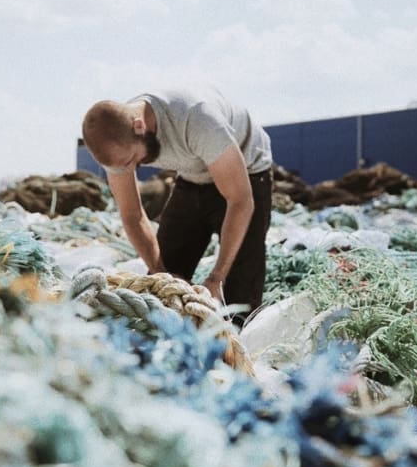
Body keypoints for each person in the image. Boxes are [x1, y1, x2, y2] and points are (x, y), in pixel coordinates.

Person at [81, 85, 273, 326]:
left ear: (139, 126)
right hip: (193, 176)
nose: (129, 171)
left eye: (131, 161)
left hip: (247, 175)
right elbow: (132, 215)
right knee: (161, 288)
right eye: (122, 167)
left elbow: (240, 201)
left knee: (238, 306)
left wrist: (216, 278)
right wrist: (160, 270)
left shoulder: (198, 119)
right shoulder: (117, 145)